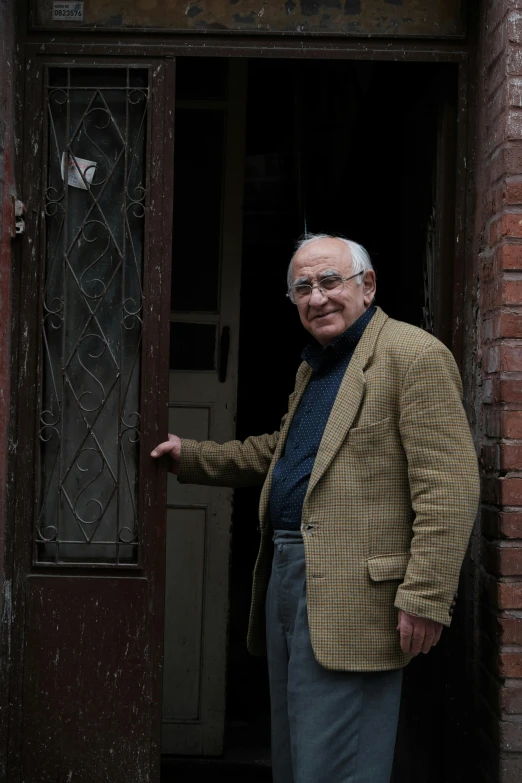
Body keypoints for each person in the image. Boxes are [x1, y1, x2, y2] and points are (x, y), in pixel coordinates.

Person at [151, 234, 480, 783]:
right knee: (299, 755)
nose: (316, 297)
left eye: (330, 281)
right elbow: (278, 454)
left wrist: (425, 596)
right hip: (290, 575)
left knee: (338, 764)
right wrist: (191, 455)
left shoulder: (413, 355)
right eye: (302, 287)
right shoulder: (320, 367)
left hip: (356, 593)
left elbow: (448, 486)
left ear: (367, 285)